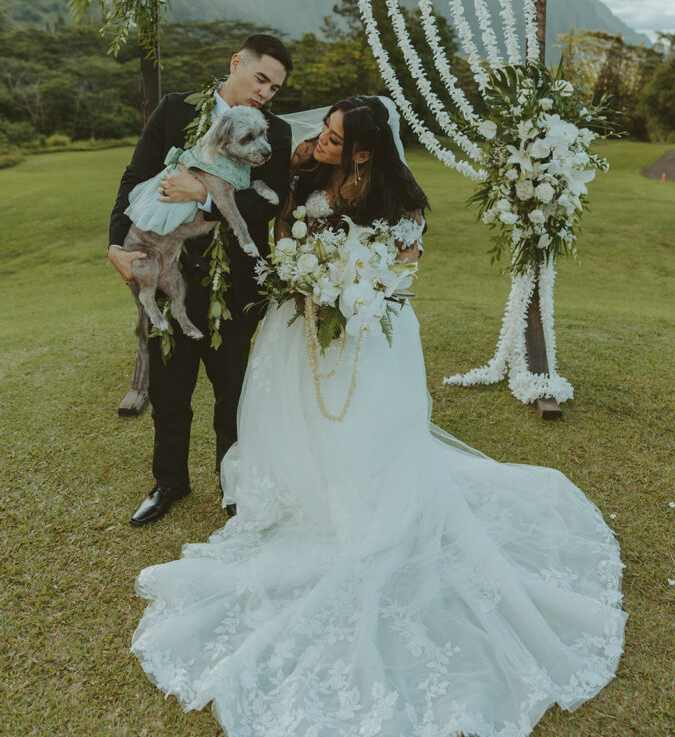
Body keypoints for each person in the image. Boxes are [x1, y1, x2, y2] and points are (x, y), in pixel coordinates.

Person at [131, 95, 627, 736]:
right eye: (325, 132)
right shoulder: (307, 170)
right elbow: (276, 222)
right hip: (297, 324)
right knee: (298, 422)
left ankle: (363, 510)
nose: (320, 141)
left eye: (335, 137)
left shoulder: (401, 201)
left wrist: (345, 286)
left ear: (365, 150)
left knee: (365, 434)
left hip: (368, 328)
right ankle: (305, 497)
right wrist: (298, 272)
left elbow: (401, 268)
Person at [108, 34, 293, 527]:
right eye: (260, 79)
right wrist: (116, 246)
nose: (264, 94)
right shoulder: (174, 109)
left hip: (235, 285)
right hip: (170, 274)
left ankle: (233, 486)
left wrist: (205, 195)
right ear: (236, 63)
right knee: (170, 391)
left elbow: (263, 204)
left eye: (274, 88)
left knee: (232, 391)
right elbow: (135, 176)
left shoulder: (275, 132)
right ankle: (169, 481)